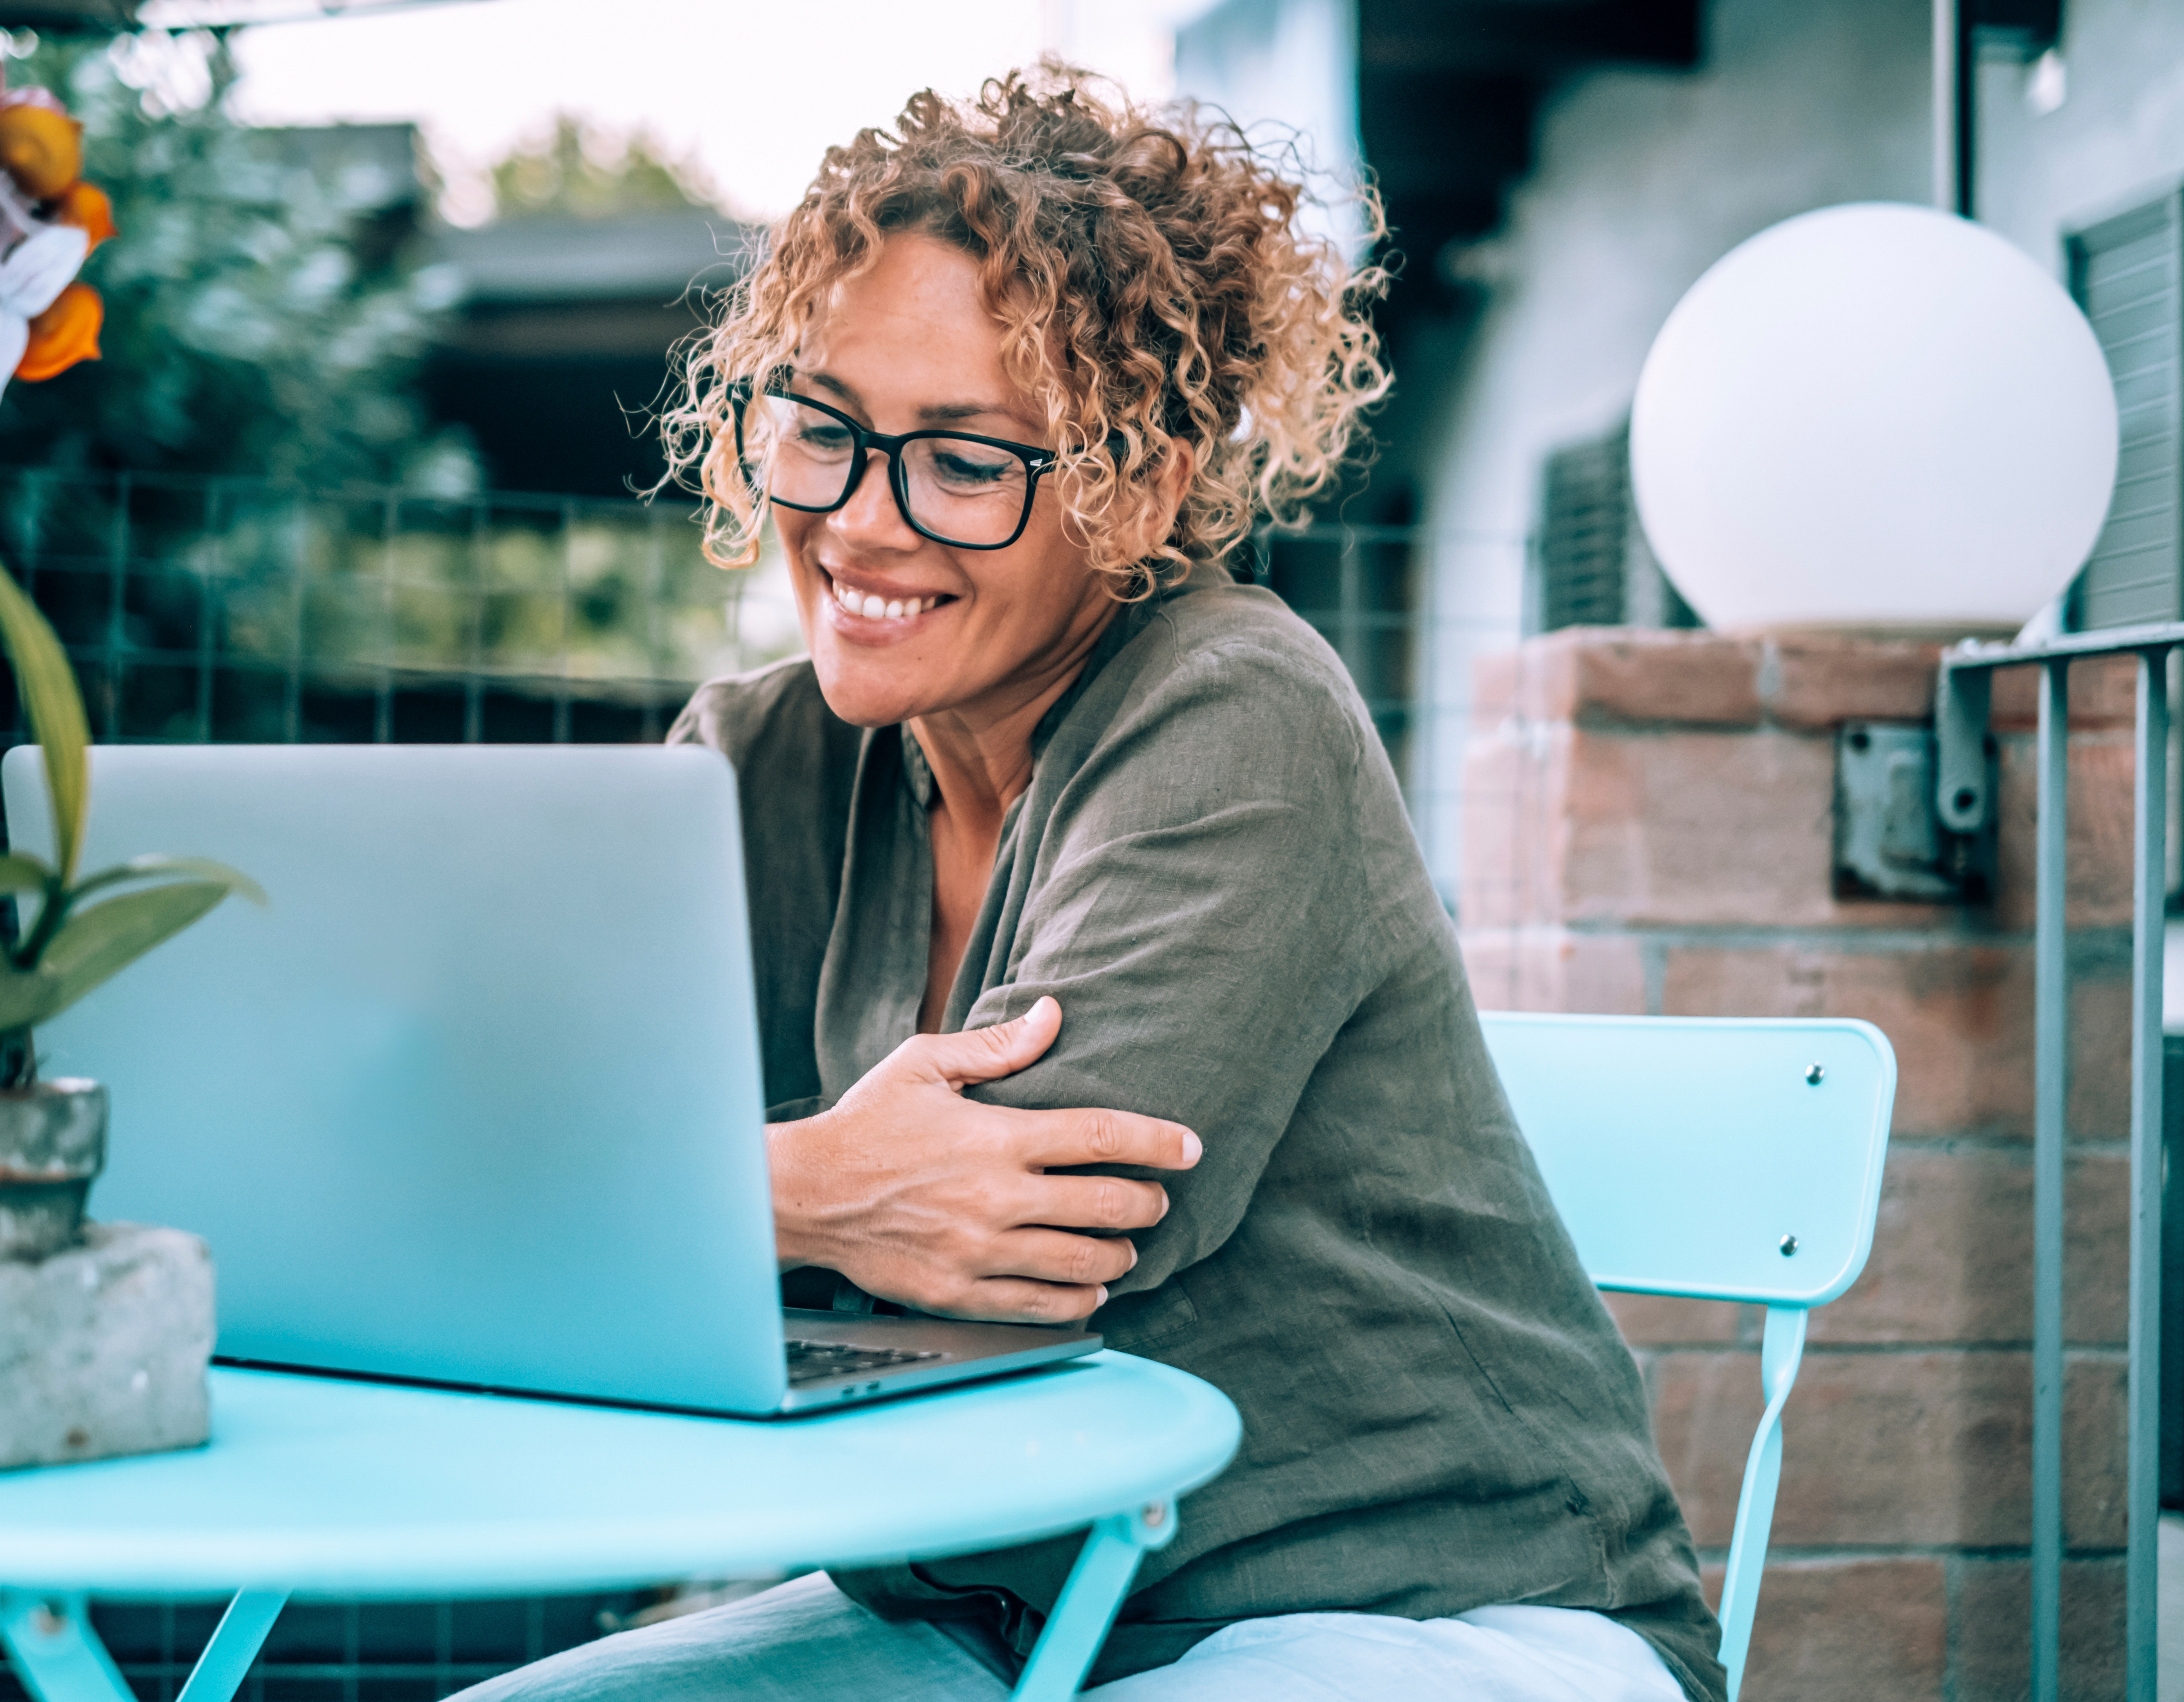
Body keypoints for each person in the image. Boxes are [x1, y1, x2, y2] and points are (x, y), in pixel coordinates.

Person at [459, 65, 1722, 1702]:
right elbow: (506, 1162)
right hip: (1001, 1614)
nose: (861, 519)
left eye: (966, 461)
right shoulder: (756, 761)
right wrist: (823, 1184)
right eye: (821, 425)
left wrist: (713, 1196)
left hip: (1433, 1605)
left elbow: (1029, 1234)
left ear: (1138, 480)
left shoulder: (1233, 707)